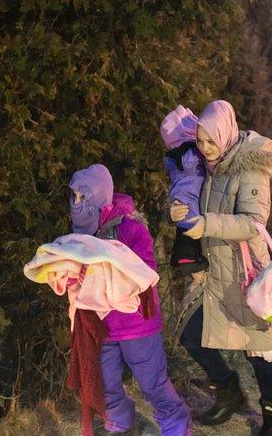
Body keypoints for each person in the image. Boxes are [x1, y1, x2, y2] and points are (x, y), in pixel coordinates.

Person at [172, 100, 272, 435]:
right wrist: (179, 207)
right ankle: (229, 392)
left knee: (259, 349)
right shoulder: (209, 164)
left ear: (226, 134)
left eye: (211, 141)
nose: (205, 148)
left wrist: (206, 225)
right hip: (214, 271)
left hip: (246, 272)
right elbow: (188, 191)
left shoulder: (250, 167)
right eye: (200, 141)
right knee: (190, 335)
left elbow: (254, 223)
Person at [69, 165, 191, 436]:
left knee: (153, 384)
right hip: (101, 326)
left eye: (82, 197)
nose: (76, 204)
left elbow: (145, 272)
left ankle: (176, 425)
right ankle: (120, 423)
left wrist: (106, 267)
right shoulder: (81, 234)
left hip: (137, 325)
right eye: (73, 196)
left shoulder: (130, 228)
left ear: (99, 197)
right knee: (106, 382)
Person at [160, 106, 209, 274]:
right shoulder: (191, 154)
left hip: (184, 200)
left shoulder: (174, 158)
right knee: (190, 235)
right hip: (191, 202)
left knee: (185, 233)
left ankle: (182, 257)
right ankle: (186, 257)